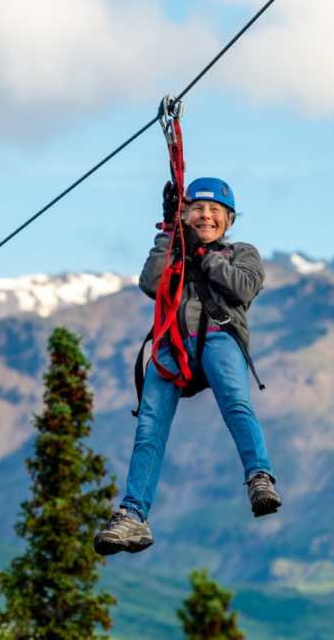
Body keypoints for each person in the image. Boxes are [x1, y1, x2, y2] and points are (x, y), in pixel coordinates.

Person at [93, 177, 280, 557]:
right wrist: (168, 233)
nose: (205, 216)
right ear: (185, 214)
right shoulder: (173, 250)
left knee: (235, 403)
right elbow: (150, 283)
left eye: (214, 211)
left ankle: (259, 476)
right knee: (149, 427)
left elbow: (242, 288)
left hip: (218, 335)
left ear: (228, 219)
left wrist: (202, 254)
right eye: (197, 210)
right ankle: (133, 515)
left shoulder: (242, 252)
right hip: (172, 342)